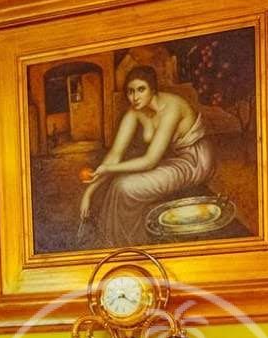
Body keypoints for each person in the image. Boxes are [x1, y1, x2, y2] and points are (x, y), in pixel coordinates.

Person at [77, 65, 214, 247]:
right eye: (130, 91)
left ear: (153, 89)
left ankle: (131, 244)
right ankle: (125, 244)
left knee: (125, 187)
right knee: (119, 184)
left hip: (195, 162)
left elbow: (150, 161)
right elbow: (115, 155)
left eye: (141, 89)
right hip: (175, 160)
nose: (135, 97)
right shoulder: (135, 112)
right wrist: (89, 193)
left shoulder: (172, 107)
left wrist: (109, 169)